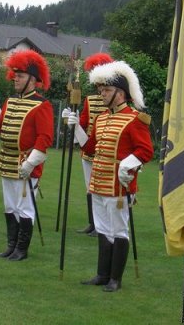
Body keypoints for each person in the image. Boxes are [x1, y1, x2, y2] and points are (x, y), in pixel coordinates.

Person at [67, 60, 154, 292]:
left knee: (119, 231)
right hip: (97, 181)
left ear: (120, 92)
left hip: (119, 186)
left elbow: (146, 151)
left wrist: (128, 165)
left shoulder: (136, 118)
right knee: (104, 230)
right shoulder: (102, 118)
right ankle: (102, 274)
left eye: (106, 90)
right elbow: (90, 148)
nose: (102, 94)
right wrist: (76, 128)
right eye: (100, 90)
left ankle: (116, 278)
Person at [0, 49, 54, 261]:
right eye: (15, 75)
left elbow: (45, 138)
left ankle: (22, 249)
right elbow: (0, 129)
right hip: (6, 161)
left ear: (33, 79)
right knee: (10, 206)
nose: (15, 79)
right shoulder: (10, 101)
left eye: (20, 76)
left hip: (26, 163)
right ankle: (11, 246)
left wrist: (31, 163)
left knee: (25, 208)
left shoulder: (42, 105)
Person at [62, 52, 114, 237]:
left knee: (106, 189)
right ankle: (93, 223)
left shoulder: (116, 99)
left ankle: (105, 223)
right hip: (89, 150)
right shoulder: (90, 100)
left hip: (108, 152)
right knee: (90, 187)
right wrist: (71, 122)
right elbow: (83, 122)